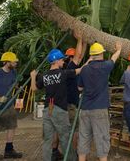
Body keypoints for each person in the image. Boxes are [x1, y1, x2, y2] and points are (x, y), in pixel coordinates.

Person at [30, 48, 84, 161]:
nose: (63, 62)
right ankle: (71, 159)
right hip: (60, 110)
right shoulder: (62, 74)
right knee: (65, 138)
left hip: (47, 110)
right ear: (56, 61)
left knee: (47, 139)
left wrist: (33, 76)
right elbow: (79, 70)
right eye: (61, 60)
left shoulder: (44, 76)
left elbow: (34, 89)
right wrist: (89, 62)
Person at [77, 41, 122, 161]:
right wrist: (118, 50)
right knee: (102, 138)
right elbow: (113, 59)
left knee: (83, 138)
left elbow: (79, 88)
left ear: (91, 55)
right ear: (101, 54)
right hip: (99, 110)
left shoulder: (85, 69)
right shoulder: (105, 66)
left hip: (85, 109)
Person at [52, 31, 87, 161]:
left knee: (58, 129)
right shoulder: (70, 68)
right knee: (74, 131)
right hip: (70, 105)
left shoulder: (60, 69)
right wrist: (80, 39)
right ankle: (73, 155)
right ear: (70, 58)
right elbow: (78, 56)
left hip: (58, 104)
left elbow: (79, 55)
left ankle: (54, 152)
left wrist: (84, 42)